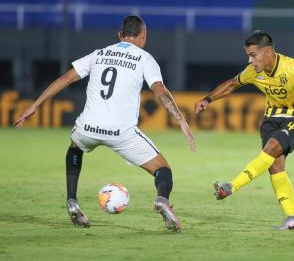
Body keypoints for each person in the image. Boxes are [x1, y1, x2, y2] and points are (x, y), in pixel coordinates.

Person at [15, 15, 195, 232]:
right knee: (163, 170)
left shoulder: (98, 54)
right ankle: (162, 200)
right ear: (143, 37)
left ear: (120, 35)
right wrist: (180, 120)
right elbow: (160, 91)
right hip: (122, 133)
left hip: (88, 128)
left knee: (75, 147)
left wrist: (35, 105)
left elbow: (65, 79)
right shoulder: (144, 58)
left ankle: (72, 200)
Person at [195, 30, 294, 230]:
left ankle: (231, 186)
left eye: (253, 55)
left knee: (271, 149)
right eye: (248, 55)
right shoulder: (253, 71)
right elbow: (231, 84)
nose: (249, 60)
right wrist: (207, 99)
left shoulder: (292, 67)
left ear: (268, 52)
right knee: (274, 165)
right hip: (272, 119)